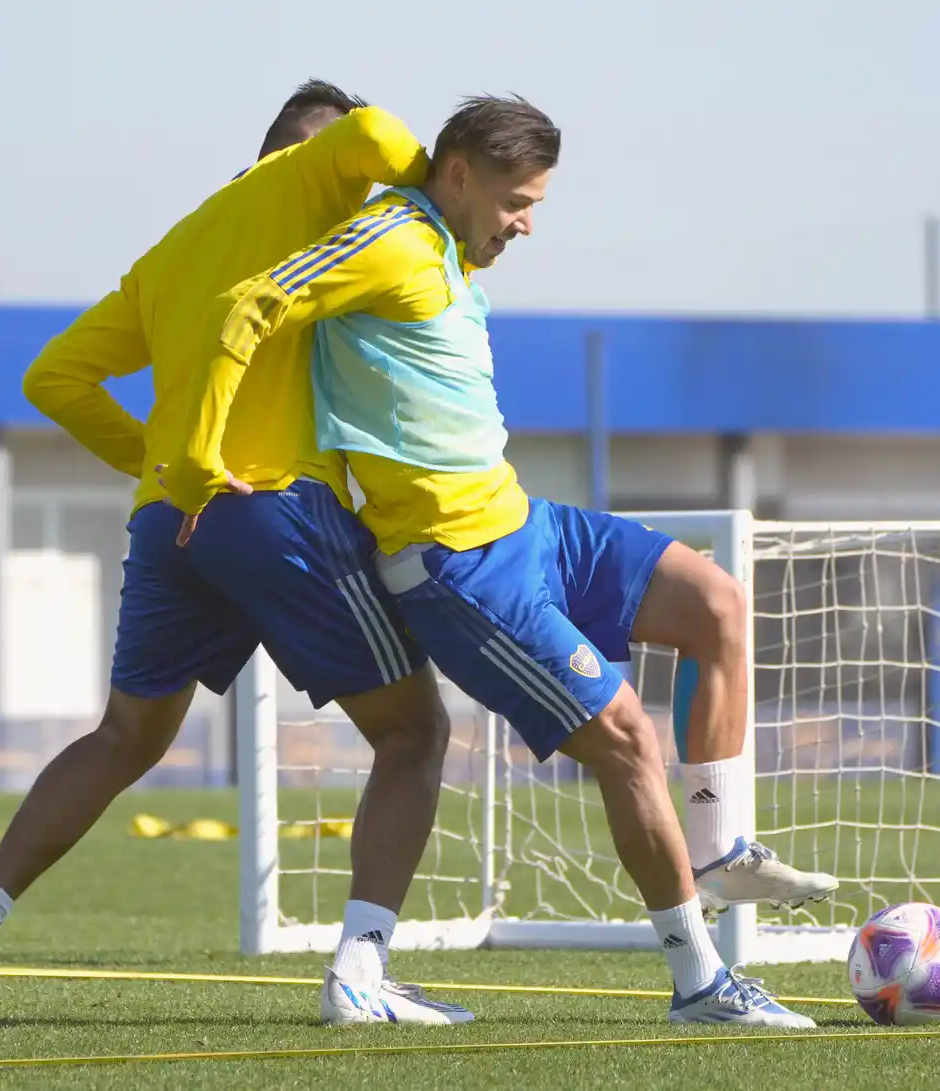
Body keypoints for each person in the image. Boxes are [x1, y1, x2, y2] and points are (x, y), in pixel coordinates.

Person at [160, 95, 836, 1029]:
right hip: (460, 565)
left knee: (715, 600)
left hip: (526, 524)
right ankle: (701, 985)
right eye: (518, 201)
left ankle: (717, 849)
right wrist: (198, 464)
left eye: (538, 205)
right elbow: (250, 304)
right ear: (460, 174)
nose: (525, 223)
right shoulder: (391, 237)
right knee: (629, 741)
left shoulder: (446, 245)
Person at [0, 80, 472, 1028]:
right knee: (416, 735)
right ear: (303, 153)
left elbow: (55, 377)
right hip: (274, 507)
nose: (371, 198)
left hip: (174, 517)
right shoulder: (314, 181)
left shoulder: (174, 247)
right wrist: (440, 189)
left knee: (123, 737)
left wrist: (165, 463)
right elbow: (369, 130)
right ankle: (361, 979)